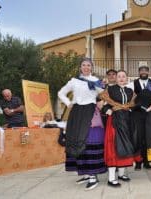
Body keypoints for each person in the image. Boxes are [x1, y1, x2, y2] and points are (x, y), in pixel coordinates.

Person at [58, 58, 106, 191]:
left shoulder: (96, 81)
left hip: (90, 112)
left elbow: (104, 95)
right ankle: (85, 173)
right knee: (77, 140)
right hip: (77, 112)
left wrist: (101, 96)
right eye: (84, 65)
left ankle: (93, 176)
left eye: (88, 65)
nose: (86, 67)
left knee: (89, 141)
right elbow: (60, 93)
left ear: (92, 67)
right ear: (80, 67)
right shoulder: (73, 81)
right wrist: (68, 103)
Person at [99, 70, 141, 187]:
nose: (121, 78)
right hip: (115, 121)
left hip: (127, 121)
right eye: (119, 76)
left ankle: (121, 174)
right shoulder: (110, 90)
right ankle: (111, 178)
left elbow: (135, 104)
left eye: (124, 76)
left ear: (127, 79)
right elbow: (103, 103)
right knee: (114, 147)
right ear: (116, 79)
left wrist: (131, 109)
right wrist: (107, 110)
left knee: (126, 146)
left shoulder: (130, 91)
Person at [128, 65, 151, 170]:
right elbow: (131, 100)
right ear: (138, 72)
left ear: (148, 72)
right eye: (141, 70)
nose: (143, 72)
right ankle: (138, 162)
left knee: (148, 138)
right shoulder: (132, 84)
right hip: (137, 114)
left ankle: (147, 161)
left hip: (150, 114)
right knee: (138, 138)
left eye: (145, 70)